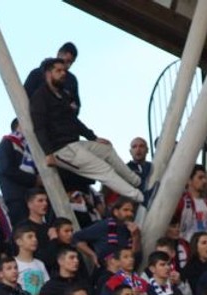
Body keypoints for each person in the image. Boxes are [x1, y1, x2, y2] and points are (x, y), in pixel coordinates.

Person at [29, 58, 142, 204]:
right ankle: (141, 197)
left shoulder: (63, 94)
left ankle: (139, 182)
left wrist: (93, 137)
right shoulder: (40, 98)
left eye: (64, 71)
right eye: (58, 71)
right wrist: (48, 153)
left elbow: (74, 121)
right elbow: (39, 127)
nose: (63, 73)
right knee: (103, 170)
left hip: (75, 143)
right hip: (62, 150)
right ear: (48, 74)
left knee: (106, 149)